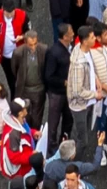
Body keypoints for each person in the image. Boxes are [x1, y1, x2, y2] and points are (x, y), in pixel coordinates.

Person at [67, 26, 103, 161]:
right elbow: (78, 91)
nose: (95, 39)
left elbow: (91, 67)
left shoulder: (85, 50)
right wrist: (95, 95)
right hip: (80, 105)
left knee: (84, 131)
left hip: (87, 102)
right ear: (85, 41)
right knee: (83, 140)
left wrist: (97, 79)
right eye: (93, 37)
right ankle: (75, 165)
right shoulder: (78, 64)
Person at [0, 0, 31, 97]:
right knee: (11, 81)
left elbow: (29, 31)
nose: (10, 15)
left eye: (12, 13)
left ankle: (24, 96)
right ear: (2, 9)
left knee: (22, 77)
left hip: (20, 54)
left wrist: (22, 37)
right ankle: (14, 97)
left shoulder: (23, 16)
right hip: (5, 57)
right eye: (8, 13)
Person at [45, 23, 74, 155]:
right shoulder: (53, 53)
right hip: (56, 94)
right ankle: (51, 150)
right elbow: (48, 76)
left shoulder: (70, 48)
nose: (73, 34)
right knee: (53, 123)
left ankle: (64, 141)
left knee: (68, 119)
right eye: (70, 33)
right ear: (65, 37)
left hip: (67, 93)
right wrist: (64, 82)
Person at [11, 30, 48, 128]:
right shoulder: (18, 53)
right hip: (25, 90)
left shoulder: (44, 50)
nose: (33, 47)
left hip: (39, 89)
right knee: (24, 115)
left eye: (35, 44)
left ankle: (35, 137)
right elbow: (14, 70)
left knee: (37, 117)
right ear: (25, 43)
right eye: (30, 45)